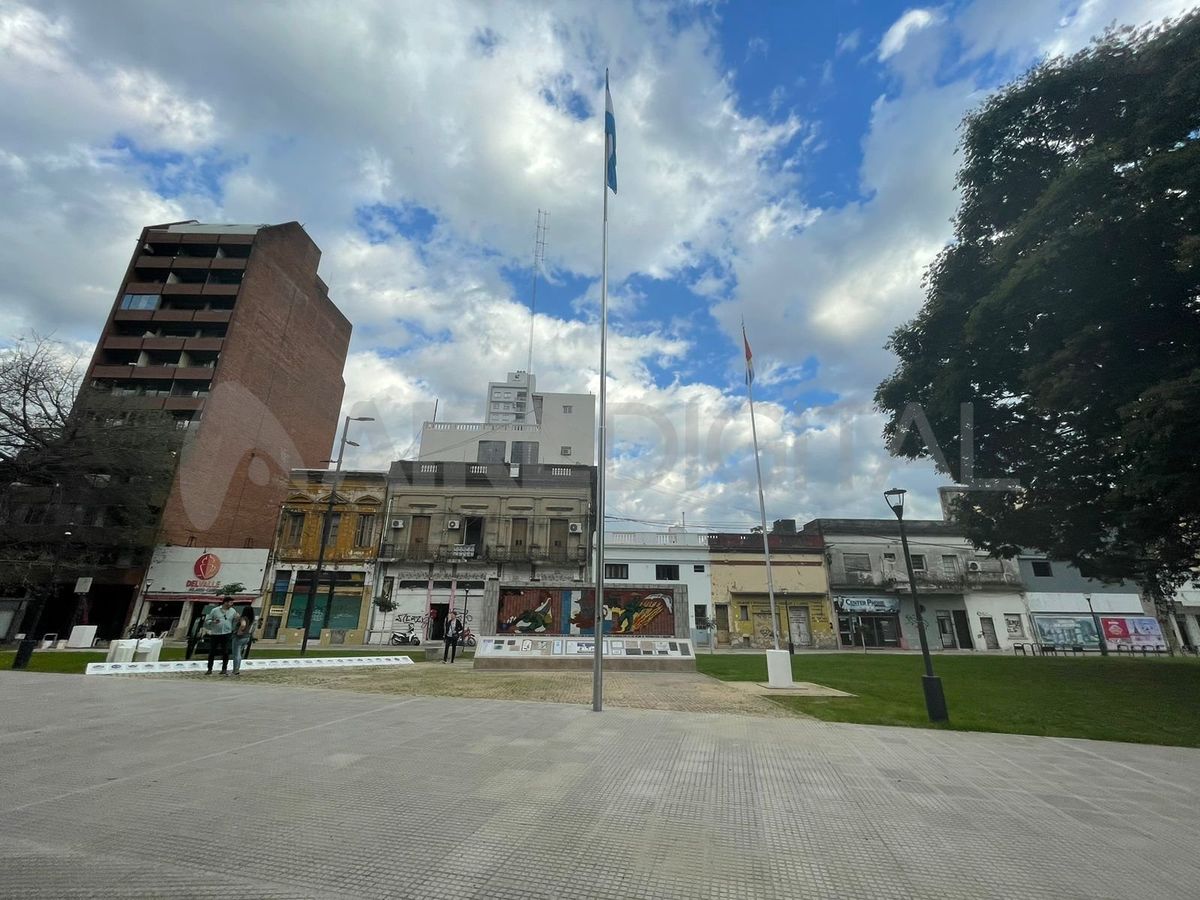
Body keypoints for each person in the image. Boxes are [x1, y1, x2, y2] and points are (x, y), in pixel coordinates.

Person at [204, 597, 239, 676]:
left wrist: (237, 618)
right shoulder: (215, 610)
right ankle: (209, 669)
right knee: (212, 651)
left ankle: (224, 669)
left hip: (227, 633)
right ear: (225, 602)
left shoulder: (232, 611)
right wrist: (213, 622)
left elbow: (235, 620)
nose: (231, 604)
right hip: (215, 633)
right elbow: (207, 620)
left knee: (225, 651)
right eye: (230, 602)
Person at [231, 605, 255, 676]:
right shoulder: (251, 619)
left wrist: (239, 631)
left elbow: (243, 624)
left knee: (236, 654)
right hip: (247, 637)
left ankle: (235, 670)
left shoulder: (243, 618)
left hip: (239, 637)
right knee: (239, 653)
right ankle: (237, 669)